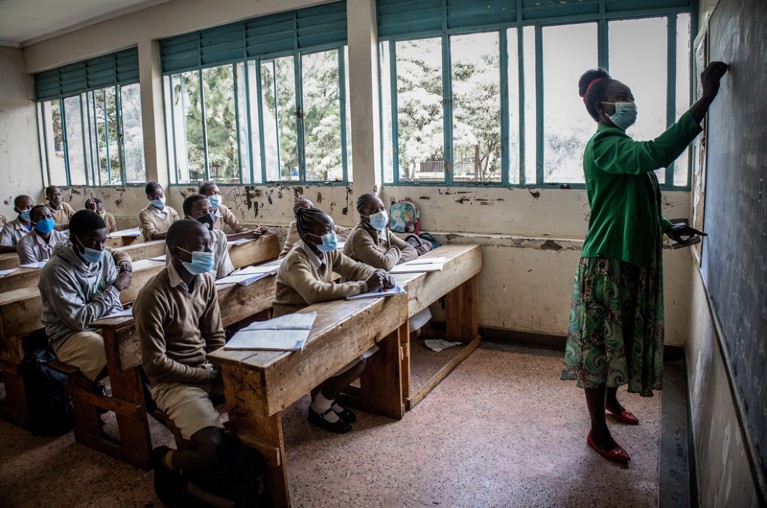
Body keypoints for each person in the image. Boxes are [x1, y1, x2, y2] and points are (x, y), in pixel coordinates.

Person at [560, 62, 729, 464]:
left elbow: (633, 204)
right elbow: (656, 152)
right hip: (606, 262)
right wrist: (705, 99)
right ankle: (597, 433)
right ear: (603, 109)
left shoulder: (620, 147)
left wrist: (667, 227)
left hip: (628, 258)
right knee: (599, 347)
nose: (630, 103)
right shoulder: (605, 145)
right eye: (623, 97)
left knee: (618, 337)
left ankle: (611, 403)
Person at [134, 219, 231, 505]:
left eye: (209, 243)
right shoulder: (153, 295)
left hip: (206, 370)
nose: (209, 249)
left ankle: (225, 477)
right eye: (201, 246)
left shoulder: (206, 281)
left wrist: (224, 369)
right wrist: (209, 378)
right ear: (177, 253)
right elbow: (155, 365)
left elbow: (215, 335)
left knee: (260, 406)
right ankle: (165, 460)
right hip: (173, 383)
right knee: (212, 448)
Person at [274, 206, 394, 433]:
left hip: (318, 318)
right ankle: (320, 406)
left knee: (369, 351)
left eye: (331, 227)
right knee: (358, 358)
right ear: (309, 237)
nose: (332, 233)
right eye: (326, 230)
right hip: (293, 326)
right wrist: (363, 286)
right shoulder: (296, 260)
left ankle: (327, 399)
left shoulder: (326, 251)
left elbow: (354, 267)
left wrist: (375, 274)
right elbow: (315, 292)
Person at [39, 210, 133, 391]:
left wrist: (115, 322)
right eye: (92, 241)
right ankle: (139, 408)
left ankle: (154, 404)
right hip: (69, 335)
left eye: (103, 241)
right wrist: (114, 288)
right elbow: (78, 320)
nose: (99, 248)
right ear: (74, 239)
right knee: (117, 355)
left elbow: (113, 305)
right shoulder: (56, 270)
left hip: (104, 324)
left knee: (136, 346)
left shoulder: (105, 258)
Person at [344, 193, 432, 335]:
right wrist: (394, 251)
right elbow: (384, 264)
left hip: (379, 280)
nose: (380, 213)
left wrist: (391, 258)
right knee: (401, 297)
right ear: (363, 216)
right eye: (373, 211)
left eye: (382, 208)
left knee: (413, 291)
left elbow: (411, 250)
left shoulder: (382, 230)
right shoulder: (360, 236)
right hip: (359, 287)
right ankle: (389, 345)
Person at [175, 194, 234, 279]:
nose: (208, 216)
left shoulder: (219, 236)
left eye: (210, 210)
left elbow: (224, 272)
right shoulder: (179, 240)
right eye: (201, 213)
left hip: (214, 285)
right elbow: (177, 275)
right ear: (188, 218)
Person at [278, 198, 351, 258]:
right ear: (298, 217)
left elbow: (348, 233)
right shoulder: (298, 227)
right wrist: (326, 239)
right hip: (284, 261)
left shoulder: (321, 224)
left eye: (313, 208)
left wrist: (329, 237)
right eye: (307, 210)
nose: (312, 212)